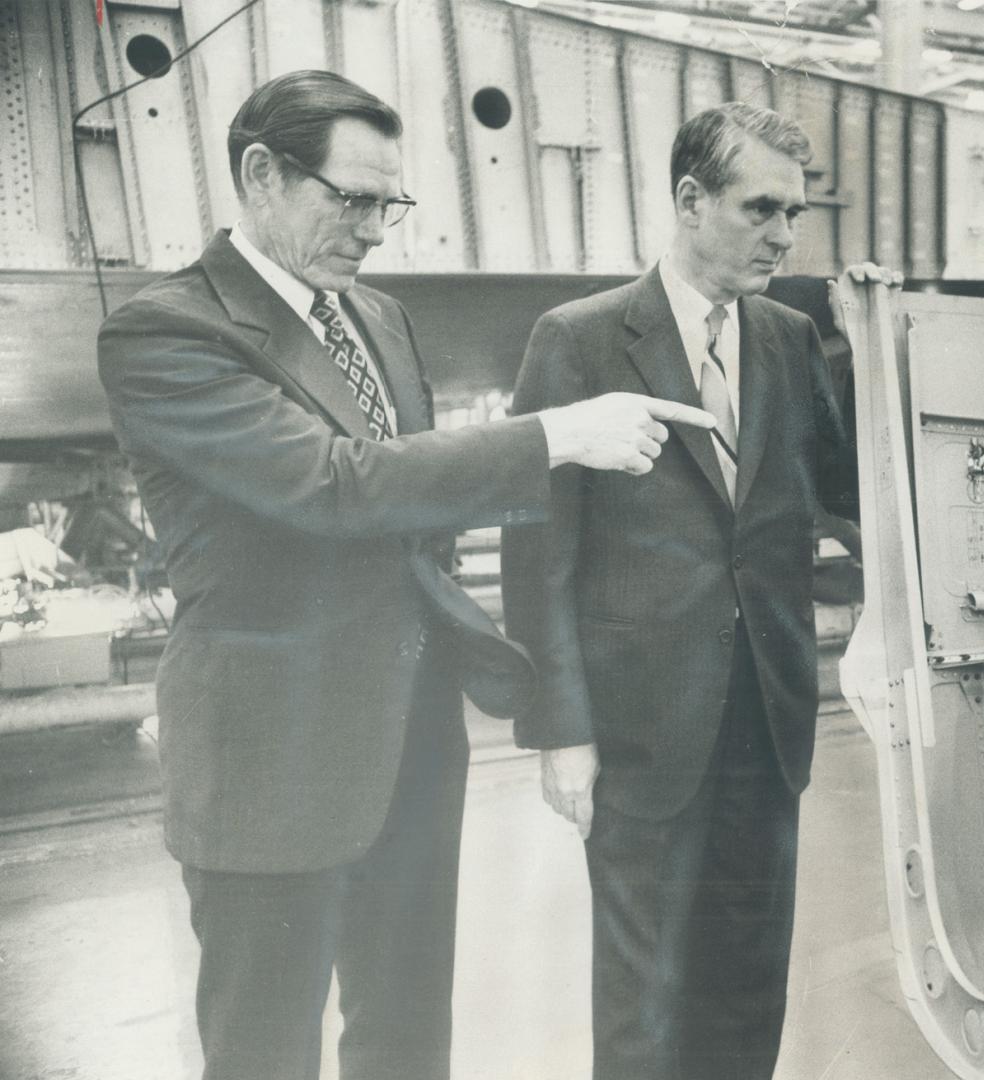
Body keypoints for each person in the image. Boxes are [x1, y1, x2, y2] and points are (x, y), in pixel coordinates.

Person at [95, 70, 712, 1080]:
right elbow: (333, 485)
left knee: (407, 1036)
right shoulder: (169, 330)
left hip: (415, 736)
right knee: (264, 1050)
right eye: (353, 199)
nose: (377, 228)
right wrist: (555, 434)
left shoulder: (378, 318)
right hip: (273, 756)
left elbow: (416, 507)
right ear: (261, 173)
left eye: (393, 203)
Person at [501, 102, 899, 1080]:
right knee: (641, 998)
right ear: (689, 199)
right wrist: (561, 729)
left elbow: (849, 500)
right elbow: (534, 549)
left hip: (764, 716)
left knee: (747, 979)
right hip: (639, 726)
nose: (783, 234)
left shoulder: (791, 339)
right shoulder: (581, 339)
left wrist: (887, 353)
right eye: (761, 207)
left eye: (794, 213)